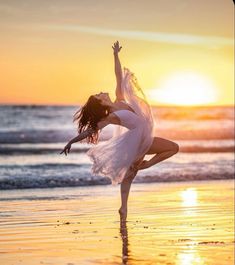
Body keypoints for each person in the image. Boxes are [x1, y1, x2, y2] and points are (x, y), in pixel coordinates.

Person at [60, 41, 179, 222]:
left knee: (132, 173)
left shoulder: (120, 99)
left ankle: (124, 208)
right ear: (100, 103)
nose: (102, 92)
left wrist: (115, 55)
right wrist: (71, 141)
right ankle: (132, 191)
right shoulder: (111, 116)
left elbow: (117, 74)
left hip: (144, 138)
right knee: (171, 149)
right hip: (139, 141)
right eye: (99, 95)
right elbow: (90, 131)